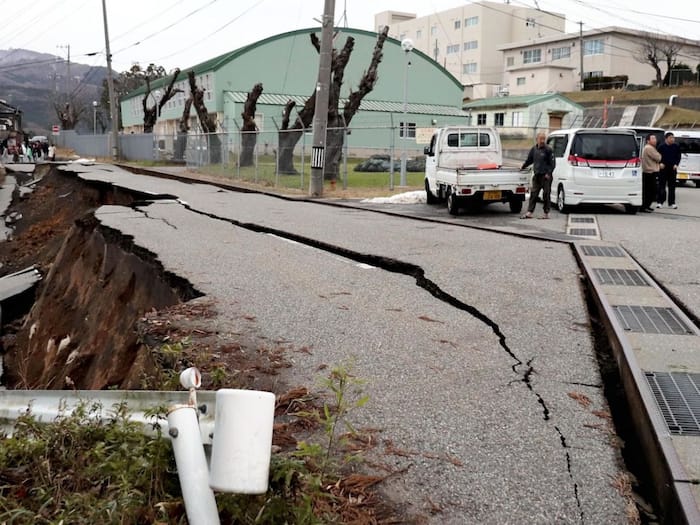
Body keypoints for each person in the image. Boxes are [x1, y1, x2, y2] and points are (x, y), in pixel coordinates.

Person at [520, 132, 555, 219]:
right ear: (537, 139)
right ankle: (530, 212)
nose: (543, 141)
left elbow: (552, 164)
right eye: (541, 139)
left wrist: (548, 173)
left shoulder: (548, 150)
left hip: (546, 177)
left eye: (544, 139)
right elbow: (529, 160)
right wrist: (523, 167)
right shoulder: (534, 149)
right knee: (533, 194)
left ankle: (546, 213)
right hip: (537, 176)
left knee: (546, 194)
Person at [656, 132, 681, 209]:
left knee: (672, 187)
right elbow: (657, 156)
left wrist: (676, 164)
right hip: (663, 169)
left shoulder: (676, 146)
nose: (672, 139)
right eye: (671, 138)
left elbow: (678, 156)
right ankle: (660, 202)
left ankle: (672, 203)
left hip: (672, 169)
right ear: (666, 138)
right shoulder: (661, 147)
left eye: (673, 138)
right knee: (662, 186)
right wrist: (660, 163)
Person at [641, 133, 662, 212]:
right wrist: (659, 155)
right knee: (650, 190)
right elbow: (659, 157)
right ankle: (645, 206)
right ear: (648, 141)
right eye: (653, 139)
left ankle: (646, 206)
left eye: (655, 138)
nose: (655, 140)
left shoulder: (650, 148)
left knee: (650, 190)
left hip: (650, 172)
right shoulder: (649, 148)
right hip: (650, 172)